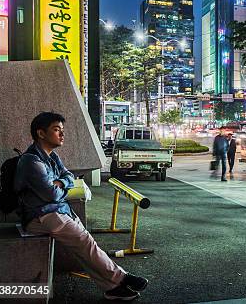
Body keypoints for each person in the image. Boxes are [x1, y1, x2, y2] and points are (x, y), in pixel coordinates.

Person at [14, 112, 148, 301]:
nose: (62, 134)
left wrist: (59, 183)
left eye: (62, 130)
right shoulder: (31, 160)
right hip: (39, 216)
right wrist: (60, 186)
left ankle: (112, 288)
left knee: (84, 245)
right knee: (85, 242)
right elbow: (51, 194)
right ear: (41, 133)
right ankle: (122, 278)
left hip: (54, 211)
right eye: (56, 129)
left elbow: (68, 176)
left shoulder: (51, 157)